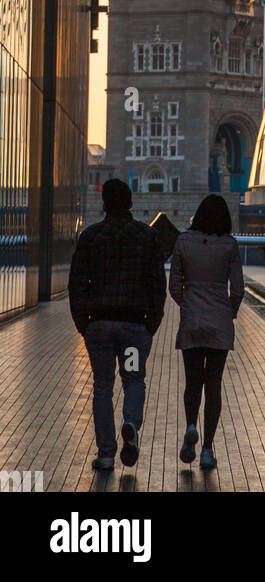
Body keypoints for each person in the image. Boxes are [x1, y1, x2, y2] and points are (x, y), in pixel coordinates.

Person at [68, 178, 166, 472]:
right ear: (131, 203)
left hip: (99, 326)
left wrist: (82, 323)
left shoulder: (90, 237)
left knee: (102, 386)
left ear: (104, 204)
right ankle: (131, 424)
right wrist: (152, 323)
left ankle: (107, 454)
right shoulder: (147, 237)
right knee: (134, 379)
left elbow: (76, 284)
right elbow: (157, 285)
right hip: (134, 327)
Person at [169, 194, 244, 470]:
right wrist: (228, 311)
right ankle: (208, 449)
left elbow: (174, 286)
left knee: (192, 381)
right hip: (219, 324)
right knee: (214, 385)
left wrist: (188, 304)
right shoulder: (230, 246)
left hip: (192, 322)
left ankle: (191, 425)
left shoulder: (183, 242)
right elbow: (237, 289)